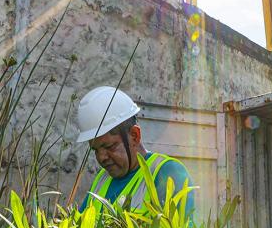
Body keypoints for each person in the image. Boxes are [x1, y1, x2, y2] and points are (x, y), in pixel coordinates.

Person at [75, 86, 194, 215]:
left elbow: (178, 227)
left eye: (109, 147)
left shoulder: (168, 173)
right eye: (95, 150)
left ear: (134, 135)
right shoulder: (102, 179)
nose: (101, 157)